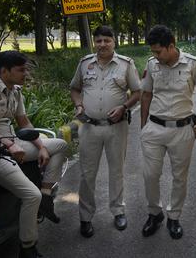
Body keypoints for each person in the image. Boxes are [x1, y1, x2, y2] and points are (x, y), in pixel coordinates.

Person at [0, 50, 67, 257]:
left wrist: (40, 146)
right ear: (4, 71)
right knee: (30, 195)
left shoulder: (15, 91)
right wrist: (4, 142)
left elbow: (24, 122)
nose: (26, 74)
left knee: (59, 145)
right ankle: (28, 247)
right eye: (21, 70)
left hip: (16, 144)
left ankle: (47, 197)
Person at [70, 26, 141, 238]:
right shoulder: (85, 63)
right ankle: (85, 217)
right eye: (98, 41)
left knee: (117, 171)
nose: (102, 45)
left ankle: (118, 211)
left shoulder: (126, 64)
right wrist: (79, 105)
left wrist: (124, 107)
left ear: (114, 42)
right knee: (86, 174)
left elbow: (137, 92)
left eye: (106, 41)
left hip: (116, 128)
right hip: (89, 127)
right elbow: (74, 88)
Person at [140, 25, 196, 239]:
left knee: (180, 177)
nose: (155, 55)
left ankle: (174, 217)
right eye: (153, 51)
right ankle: (154, 213)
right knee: (150, 175)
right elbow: (145, 95)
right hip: (154, 128)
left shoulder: (193, 63)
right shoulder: (152, 65)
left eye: (158, 51)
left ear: (171, 46)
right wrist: (143, 127)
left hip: (182, 130)